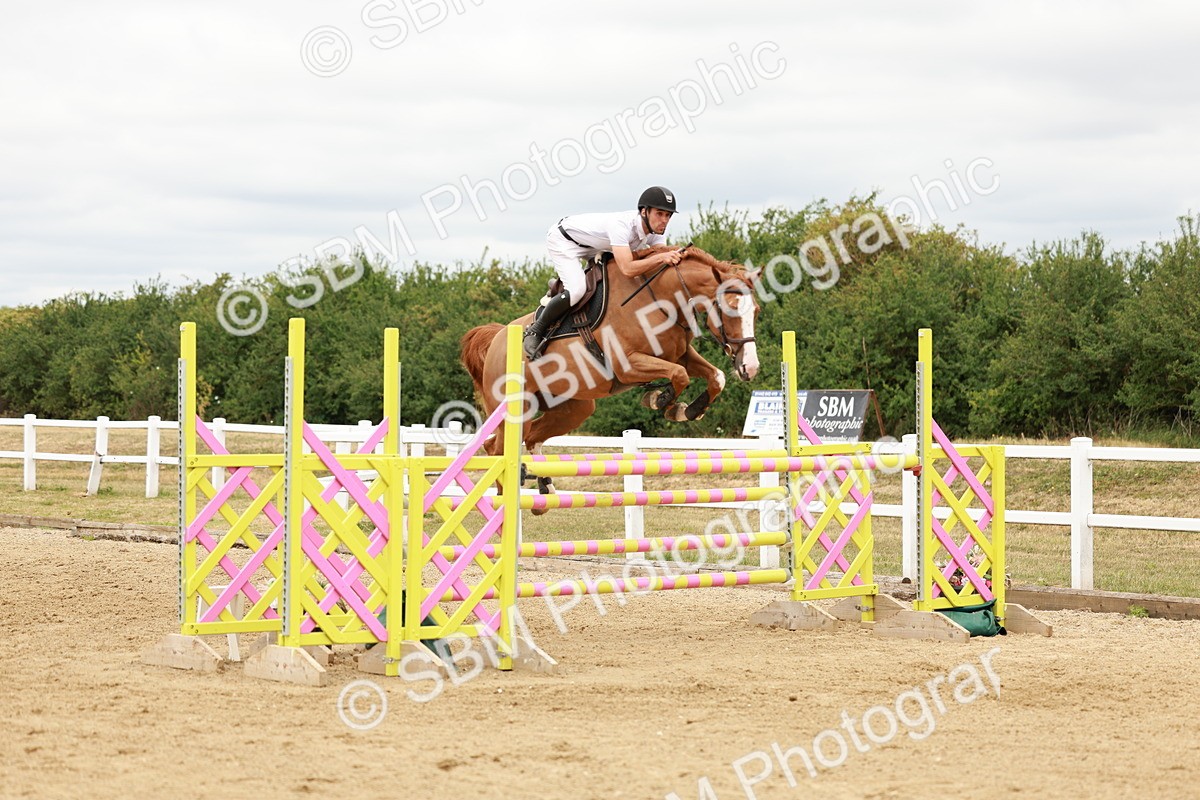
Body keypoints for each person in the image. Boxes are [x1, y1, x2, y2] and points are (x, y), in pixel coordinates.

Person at [522, 185, 686, 360]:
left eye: (668, 215)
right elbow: (628, 269)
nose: (664, 220)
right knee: (577, 290)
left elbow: (660, 258)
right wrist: (662, 257)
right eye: (659, 214)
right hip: (565, 241)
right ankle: (535, 330)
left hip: (595, 246)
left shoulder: (656, 232)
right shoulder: (622, 226)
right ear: (644, 212)